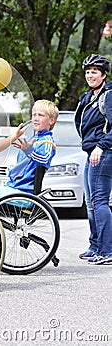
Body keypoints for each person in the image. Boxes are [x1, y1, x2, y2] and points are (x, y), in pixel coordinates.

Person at [0, 99, 59, 202]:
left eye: (41, 115)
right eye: (34, 115)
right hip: (14, 187)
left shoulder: (47, 142)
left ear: (52, 120)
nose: (36, 119)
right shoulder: (33, 139)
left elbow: (44, 159)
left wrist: (29, 151)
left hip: (22, 193)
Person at [75, 54, 112, 265]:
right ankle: (95, 245)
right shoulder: (87, 96)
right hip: (92, 152)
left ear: (104, 74)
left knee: (99, 201)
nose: (90, 75)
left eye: (95, 72)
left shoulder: (108, 96)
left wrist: (101, 145)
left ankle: (107, 250)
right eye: (88, 71)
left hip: (104, 152)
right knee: (90, 202)